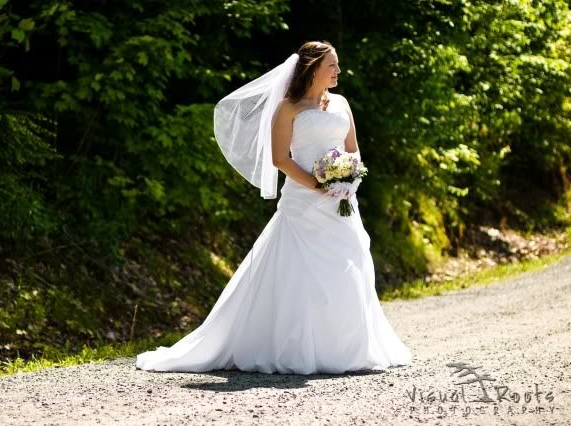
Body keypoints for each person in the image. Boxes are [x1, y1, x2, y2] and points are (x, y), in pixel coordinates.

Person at [135, 41, 413, 375]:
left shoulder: (341, 103)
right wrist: (318, 185)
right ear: (312, 69)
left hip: (341, 203)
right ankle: (296, 347)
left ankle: (347, 348)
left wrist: (348, 181)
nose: (338, 71)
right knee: (299, 273)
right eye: (332, 65)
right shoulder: (288, 108)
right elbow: (280, 157)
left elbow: (353, 151)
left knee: (348, 265)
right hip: (303, 204)